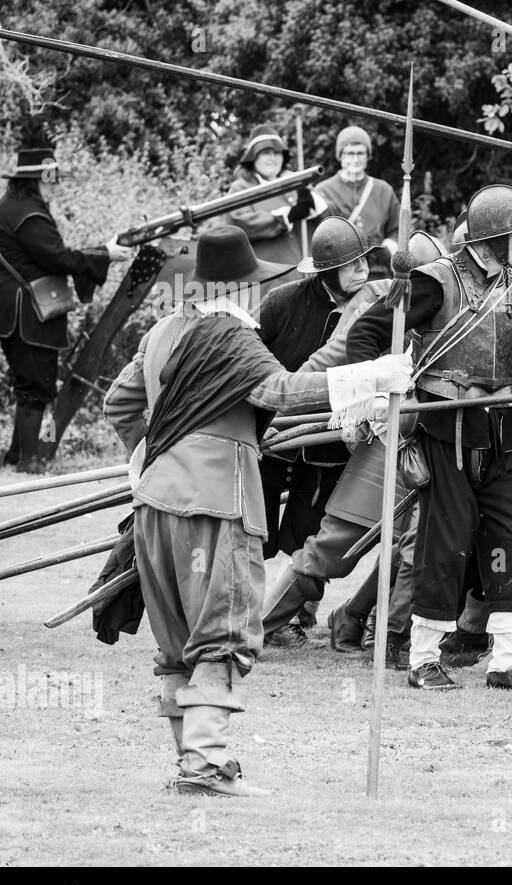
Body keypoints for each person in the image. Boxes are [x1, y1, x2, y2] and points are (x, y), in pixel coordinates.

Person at [102, 224, 410, 796]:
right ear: (244, 287)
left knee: (176, 642)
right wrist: (373, 376)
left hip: (152, 505)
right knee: (222, 632)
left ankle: (193, 760)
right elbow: (281, 393)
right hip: (215, 505)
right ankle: (204, 765)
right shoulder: (233, 337)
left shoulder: (164, 330)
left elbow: (118, 402)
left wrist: (152, 455)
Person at [348, 184, 512, 692]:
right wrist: (391, 384)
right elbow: (367, 334)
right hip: (445, 430)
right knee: (444, 546)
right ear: (494, 238)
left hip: (503, 431)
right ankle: (423, 659)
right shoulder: (433, 282)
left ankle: (507, 660)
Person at [257, 231, 446, 653]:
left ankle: (364, 621)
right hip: (383, 439)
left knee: (416, 543)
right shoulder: (379, 297)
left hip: (435, 442)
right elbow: (332, 359)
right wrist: (274, 417)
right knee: (333, 548)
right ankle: (253, 630)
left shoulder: (457, 305)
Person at [255, 217, 374, 645]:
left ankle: (296, 615)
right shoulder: (281, 303)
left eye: (365, 261)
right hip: (271, 438)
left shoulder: (373, 305)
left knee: (309, 529)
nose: (362, 271)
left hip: (328, 443)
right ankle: (249, 609)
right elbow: (251, 363)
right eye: (351, 264)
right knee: (256, 531)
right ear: (326, 270)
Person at [0, 146, 128, 470]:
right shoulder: (29, 212)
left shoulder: (13, 207)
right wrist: (104, 254)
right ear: (35, 181)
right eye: (50, 178)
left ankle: (17, 455)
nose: (55, 184)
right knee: (36, 386)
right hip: (28, 312)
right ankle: (30, 461)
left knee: (27, 383)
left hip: (15, 310)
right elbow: (58, 257)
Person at [223, 124, 324, 268]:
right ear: (253, 157)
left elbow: (326, 219)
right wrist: (287, 216)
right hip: (267, 275)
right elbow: (238, 223)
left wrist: (309, 198)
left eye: (277, 153)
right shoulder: (240, 187)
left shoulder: (295, 181)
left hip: (304, 272)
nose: (272, 158)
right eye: (266, 153)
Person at [313, 125, 400, 278]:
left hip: (378, 272)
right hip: (340, 273)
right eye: (349, 153)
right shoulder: (322, 191)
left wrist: (388, 247)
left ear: (368, 156)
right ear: (340, 155)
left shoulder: (383, 190)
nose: (355, 159)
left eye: (360, 153)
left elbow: (397, 229)